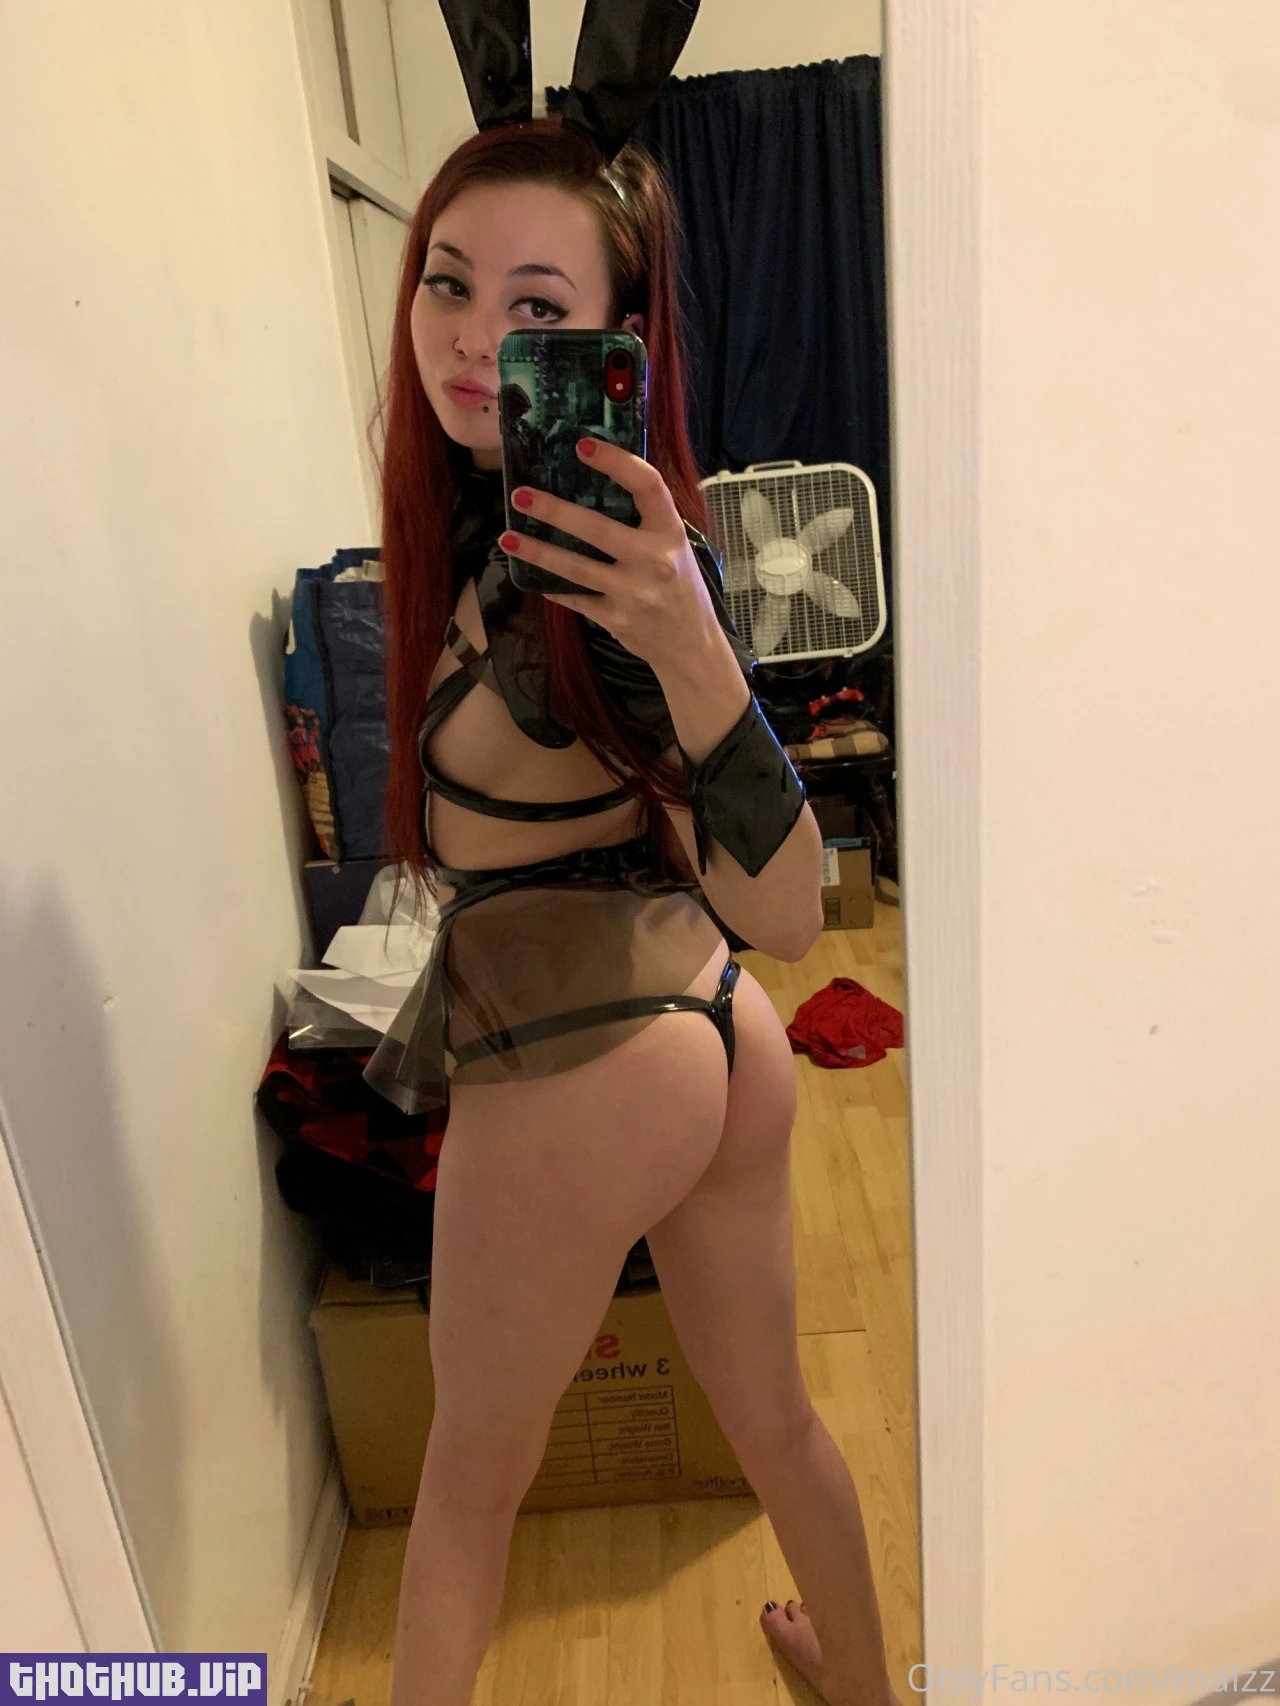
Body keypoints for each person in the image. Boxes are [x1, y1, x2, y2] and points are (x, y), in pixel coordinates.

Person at [368, 9, 903, 1705]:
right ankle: (865, 1682)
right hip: (710, 1037)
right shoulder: (507, 527)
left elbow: (795, 910)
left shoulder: (607, 588)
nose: (475, 340)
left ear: (614, 336)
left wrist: (692, 645)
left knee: (465, 1490)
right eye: (449, 281)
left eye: (539, 311)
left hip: (593, 1053)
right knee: (778, 1420)